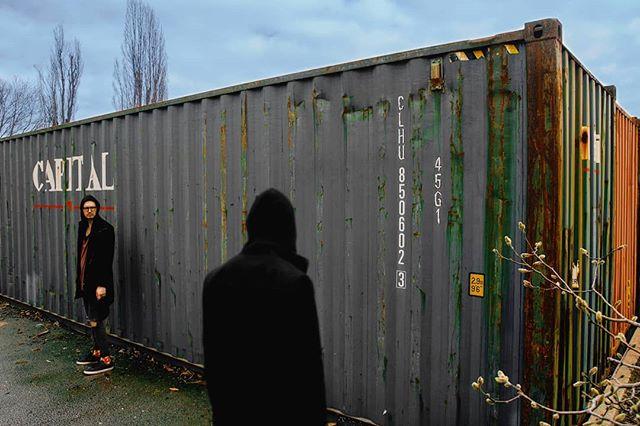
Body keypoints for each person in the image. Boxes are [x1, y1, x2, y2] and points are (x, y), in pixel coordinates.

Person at [202, 188, 326, 425]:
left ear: (252, 227)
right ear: (288, 229)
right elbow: (308, 376)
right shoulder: (295, 283)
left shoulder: (215, 280)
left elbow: (214, 366)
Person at [74, 195, 116, 375]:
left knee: (96, 319)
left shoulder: (105, 229)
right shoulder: (82, 227)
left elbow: (106, 260)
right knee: (91, 320)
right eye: (86, 208)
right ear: (82, 210)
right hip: (85, 281)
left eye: (92, 207)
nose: (89, 210)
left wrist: (102, 285)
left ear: (97, 209)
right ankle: (97, 351)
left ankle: (106, 359)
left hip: (98, 284)